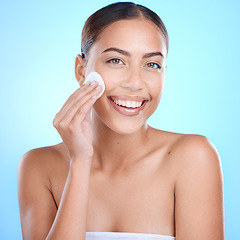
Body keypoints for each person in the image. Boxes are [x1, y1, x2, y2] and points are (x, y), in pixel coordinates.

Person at [17, 2, 224, 240]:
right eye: (116, 60)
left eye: (152, 64)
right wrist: (80, 162)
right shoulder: (39, 166)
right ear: (81, 70)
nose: (135, 83)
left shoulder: (193, 158)